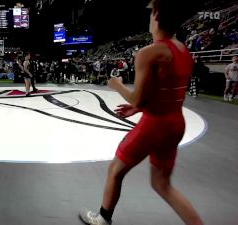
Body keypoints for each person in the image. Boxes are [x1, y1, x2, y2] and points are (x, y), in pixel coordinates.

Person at [79, 0, 204, 225]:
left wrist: (116, 84)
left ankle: (102, 219)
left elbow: (137, 96)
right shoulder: (183, 50)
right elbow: (168, 93)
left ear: (156, 15)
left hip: (154, 125)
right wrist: (139, 106)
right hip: (175, 123)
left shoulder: (149, 52)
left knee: (116, 169)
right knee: (162, 184)